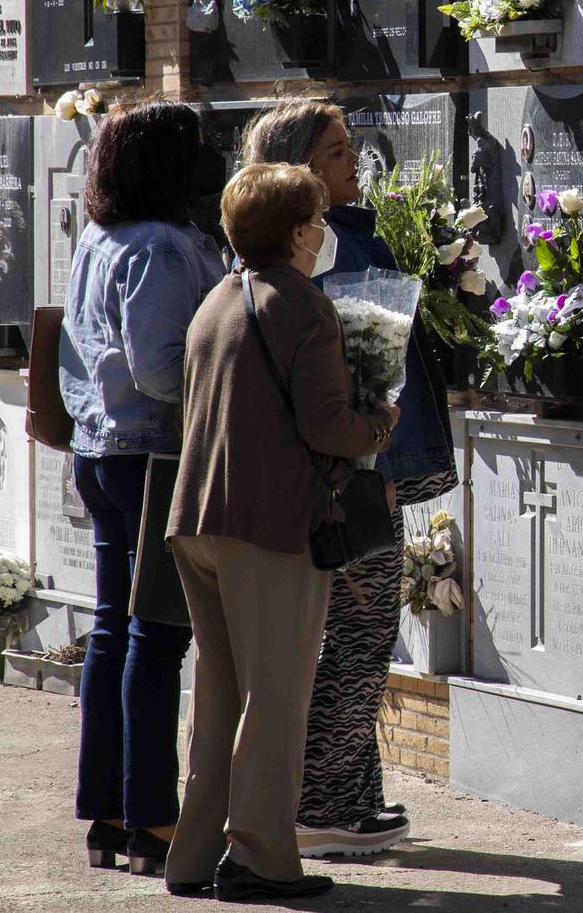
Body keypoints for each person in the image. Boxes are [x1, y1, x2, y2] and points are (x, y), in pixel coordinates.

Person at [163, 163, 399, 902]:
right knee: (277, 694)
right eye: (318, 219)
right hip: (268, 523)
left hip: (199, 518)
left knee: (221, 689)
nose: (325, 231)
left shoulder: (217, 299)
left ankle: (195, 854)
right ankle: (262, 857)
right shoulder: (301, 304)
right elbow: (327, 423)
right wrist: (381, 422)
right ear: (298, 232)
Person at [243, 101, 456, 857]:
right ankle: (324, 803)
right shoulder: (304, 253)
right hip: (348, 473)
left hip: (362, 466)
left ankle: (350, 793)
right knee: (358, 636)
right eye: (337, 153)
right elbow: (346, 372)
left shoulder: (341, 233)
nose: (353, 163)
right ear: (301, 167)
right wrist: (381, 469)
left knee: (358, 635)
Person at [59, 101, 227, 877]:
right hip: (149, 456)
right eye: (195, 148)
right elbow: (162, 367)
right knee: (155, 635)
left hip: (99, 447)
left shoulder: (100, 235)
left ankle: (110, 809)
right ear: (167, 164)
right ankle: (153, 817)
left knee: (112, 630)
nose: (210, 158)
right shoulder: (160, 246)